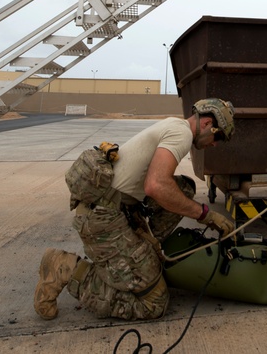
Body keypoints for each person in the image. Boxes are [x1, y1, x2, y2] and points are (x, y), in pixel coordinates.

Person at [33, 98, 237, 321]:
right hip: (103, 218)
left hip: (115, 208)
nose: (215, 144)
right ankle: (66, 269)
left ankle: (141, 260)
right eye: (218, 137)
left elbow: (159, 186)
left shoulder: (173, 125)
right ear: (207, 124)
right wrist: (206, 215)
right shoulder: (182, 134)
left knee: (184, 189)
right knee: (154, 302)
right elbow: (156, 185)